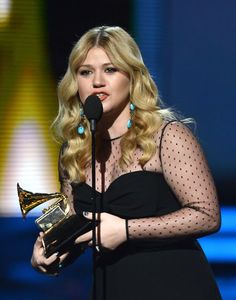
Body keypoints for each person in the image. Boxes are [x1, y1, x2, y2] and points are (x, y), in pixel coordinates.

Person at [31, 26, 222, 299]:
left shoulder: (167, 136)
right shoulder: (73, 150)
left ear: (132, 77)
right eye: (86, 72)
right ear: (75, 83)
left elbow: (207, 215)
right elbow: (77, 230)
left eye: (110, 70)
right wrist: (50, 251)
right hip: (111, 288)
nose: (97, 81)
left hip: (174, 287)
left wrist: (126, 230)